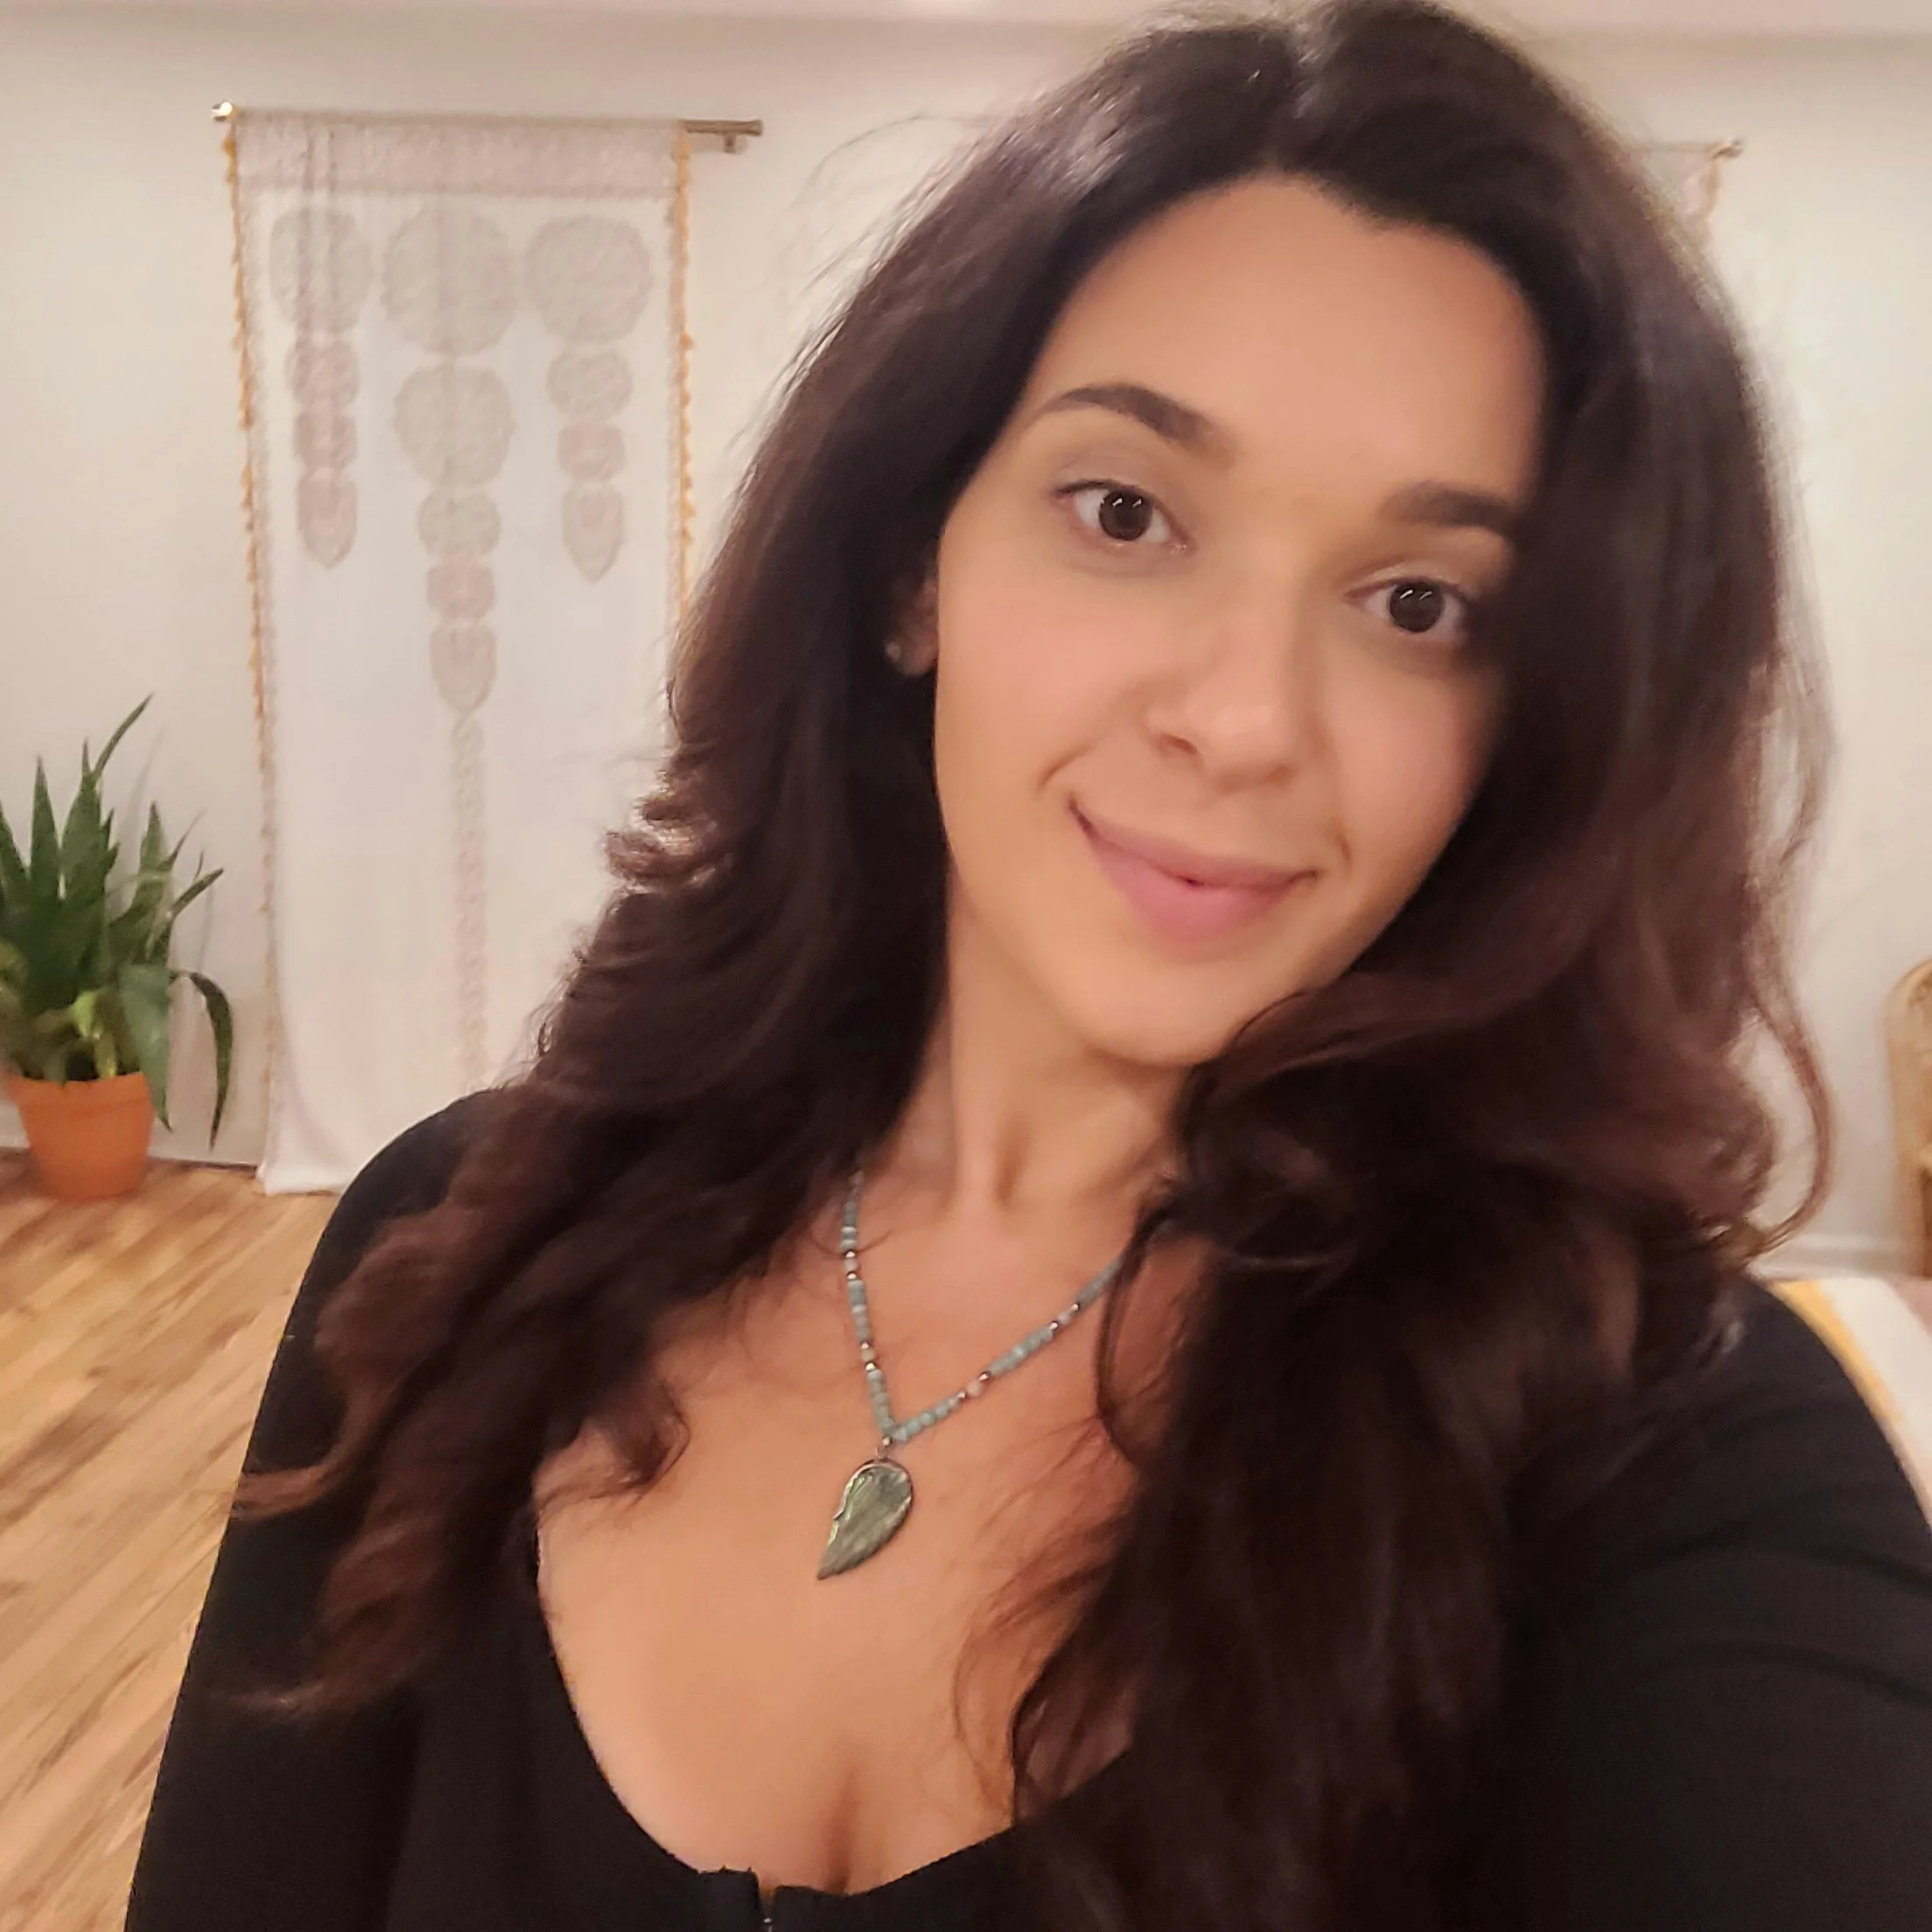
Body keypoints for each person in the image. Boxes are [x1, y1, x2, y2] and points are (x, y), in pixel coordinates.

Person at [126, 4, 1932, 1929]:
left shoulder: (1666, 1459)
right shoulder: (457, 1239)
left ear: (1537, 724)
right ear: (917, 564)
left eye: (1419, 604)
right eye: (1127, 512)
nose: (1243, 722)